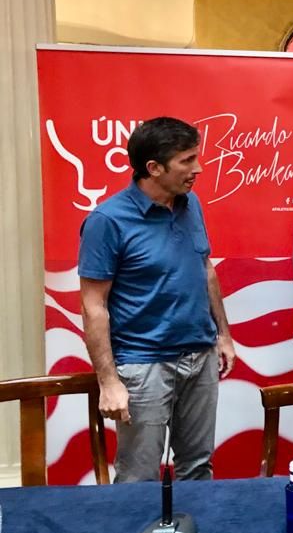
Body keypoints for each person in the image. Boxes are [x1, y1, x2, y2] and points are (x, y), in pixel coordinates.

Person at [79, 117, 237, 483]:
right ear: (153, 167)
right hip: (144, 366)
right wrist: (108, 382)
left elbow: (205, 267)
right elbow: (93, 306)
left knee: (198, 467)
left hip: (200, 357)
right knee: (139, 476)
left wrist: (223, 334)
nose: (198, 168)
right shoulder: (107, 221)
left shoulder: (190, 204)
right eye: (187, 160)